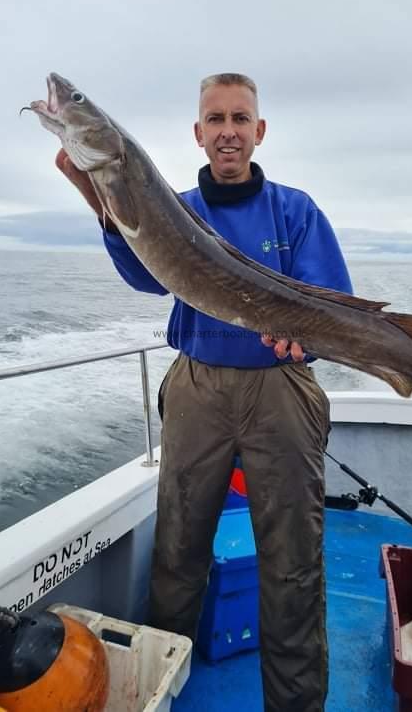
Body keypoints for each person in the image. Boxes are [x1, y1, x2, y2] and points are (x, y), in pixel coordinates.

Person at [56, 73, 352, 712]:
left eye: (240, 118)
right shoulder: (175, 207)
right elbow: (146, 277)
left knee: (292, 561)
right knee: (178, 550)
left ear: (258, 131)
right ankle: (163, 688)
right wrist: (101, 200)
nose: (228, 131)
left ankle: (296, 705)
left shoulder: (294, 211)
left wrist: (311, 343)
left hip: (281, 391)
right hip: (196, 386)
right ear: (198, 134)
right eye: (215, 119)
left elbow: (331, 306)